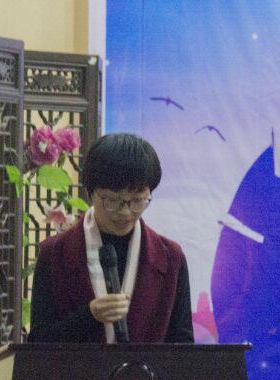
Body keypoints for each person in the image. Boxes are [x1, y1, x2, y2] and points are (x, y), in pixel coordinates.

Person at [28, 133, 194, 343]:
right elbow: (38, 342)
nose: (125, 212)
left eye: (137, 200)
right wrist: (89, 316)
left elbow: (183, 345)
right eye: (113, 201)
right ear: (90, 193)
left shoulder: (171, 257)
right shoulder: (55, 253)